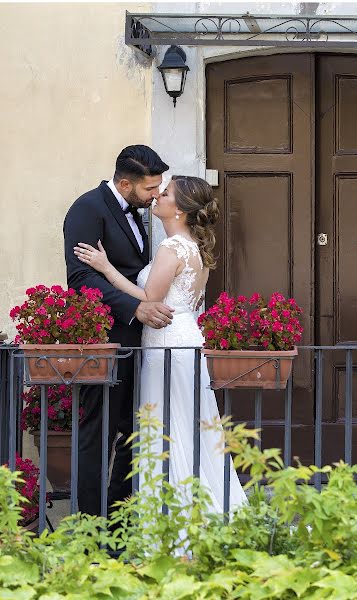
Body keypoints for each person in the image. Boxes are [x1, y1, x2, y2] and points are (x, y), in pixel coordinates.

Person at [73, 175, 247, 513]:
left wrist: (105, 267)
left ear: (179, 208)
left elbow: (149, 298)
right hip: (183, 338)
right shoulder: (191, 246)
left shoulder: (172, 247)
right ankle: (194, 512)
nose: (157, 197)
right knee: (184, 425)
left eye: (164, 193)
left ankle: (175, 519)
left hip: (167, 342)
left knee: (166, 427)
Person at [64, 145, 173, 516]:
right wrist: (135, 309)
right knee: (99, 434)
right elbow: (80, 279)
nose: (156, 194)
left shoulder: (136, 210)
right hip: (106, 341)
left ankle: (118, 520)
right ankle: (91, 526)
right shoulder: (87, 209)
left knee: (131, 432)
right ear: (125, 183)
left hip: (139, 342)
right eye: (149, 189)